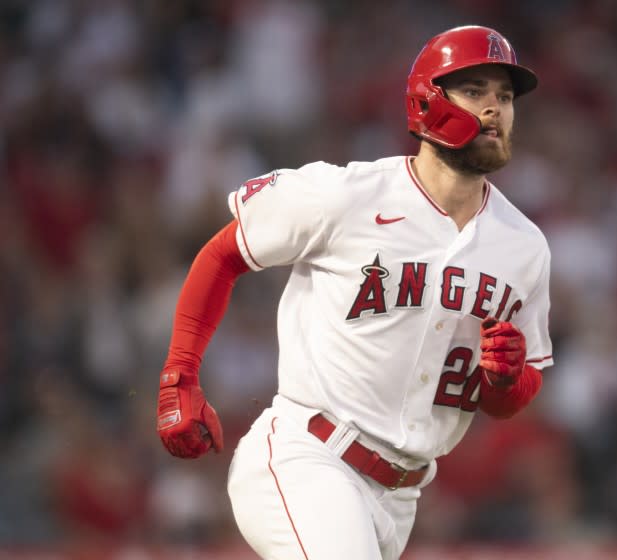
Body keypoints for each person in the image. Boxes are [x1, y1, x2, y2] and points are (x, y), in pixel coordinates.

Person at [156, 25, 554, 559]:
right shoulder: (348, 194)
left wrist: (506, 381)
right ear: (427, 100)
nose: (495, 109)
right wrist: (179, 373)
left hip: (399, 498)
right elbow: (226, 252)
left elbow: (513, 395)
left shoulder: (524, 247)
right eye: (475, 90)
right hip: (308, 455)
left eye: (505, 97)